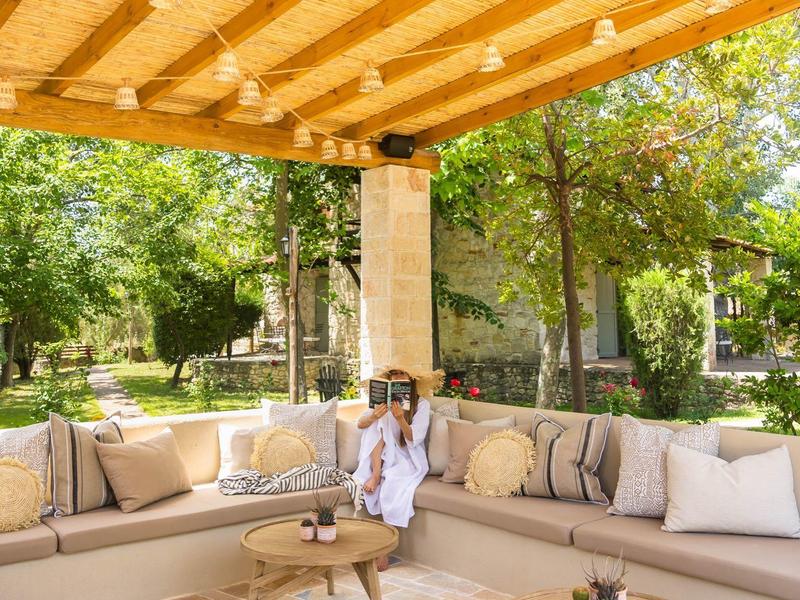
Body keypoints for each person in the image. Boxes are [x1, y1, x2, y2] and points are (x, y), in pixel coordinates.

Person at [354, 367, 437, 571]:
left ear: (411, 379)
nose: (397, 378)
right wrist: (374, 415)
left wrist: (400, 418)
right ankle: (375, 474)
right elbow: (360, 424)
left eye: (402, 374)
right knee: (375, 425)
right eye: (394, 375)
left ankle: (384, 551)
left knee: (392, 484)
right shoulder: (382, 401)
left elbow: (413, 438)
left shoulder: (422, 405)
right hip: (382, 455)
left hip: (407, 458)